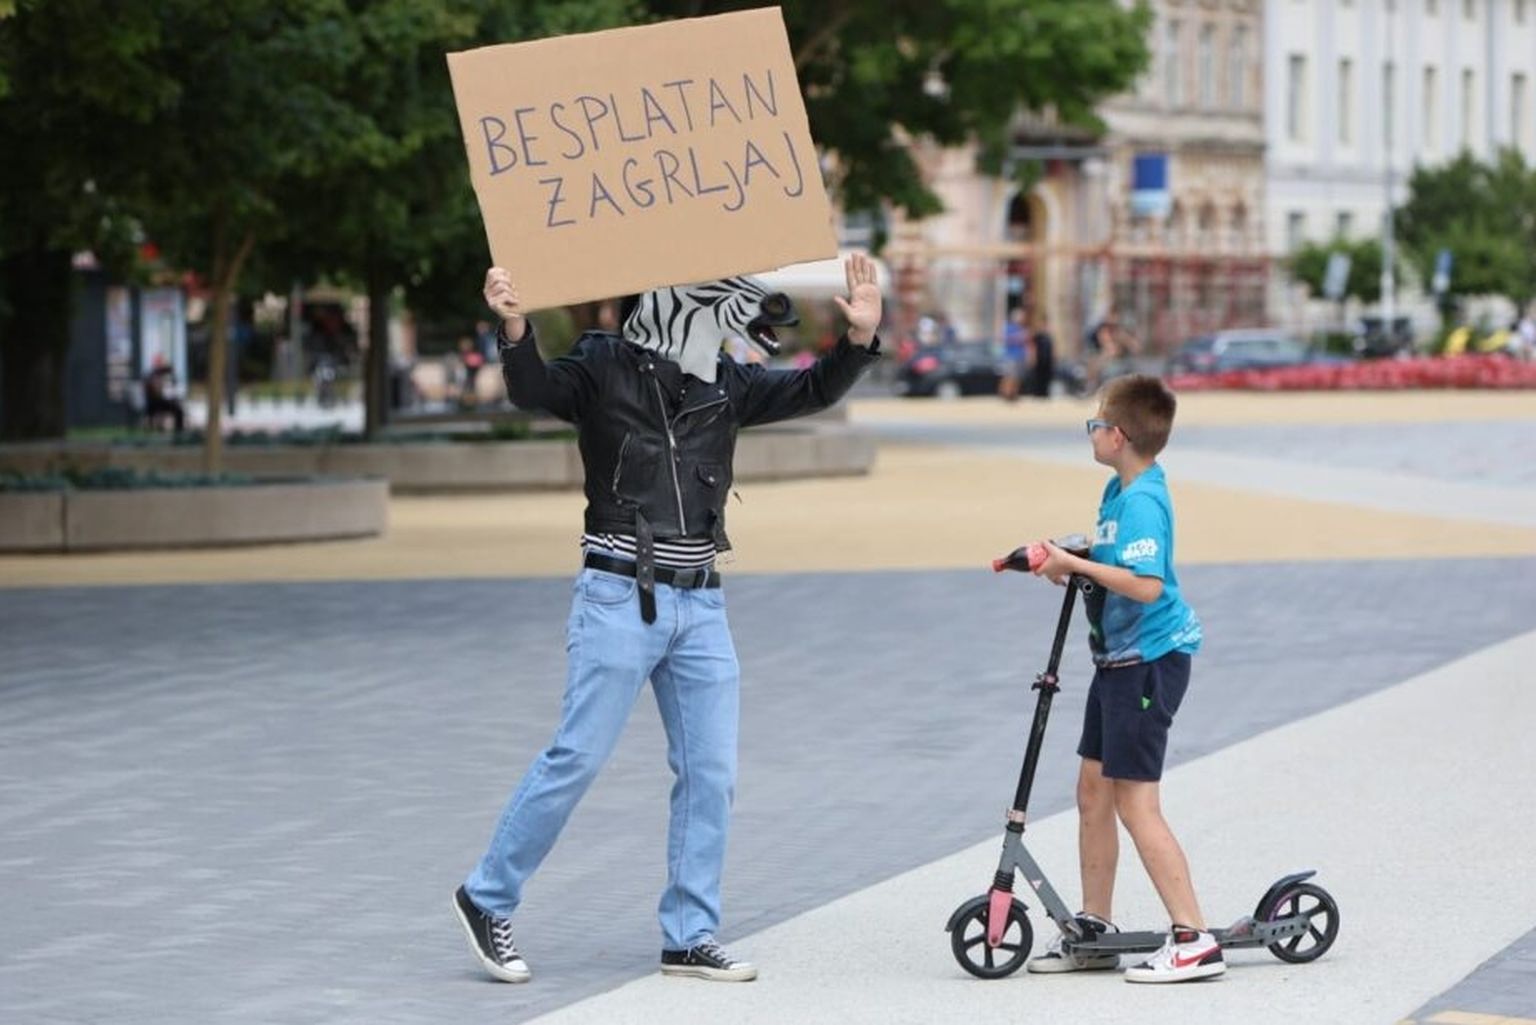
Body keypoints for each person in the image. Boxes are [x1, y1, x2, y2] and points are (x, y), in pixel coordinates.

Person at [453, 257, 883, 985]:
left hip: (701, 601)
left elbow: (811, 388)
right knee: (577, 756)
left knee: (711, 773)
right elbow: (534, 389)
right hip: (619, 593)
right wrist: (515, 326)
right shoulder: (603, 365)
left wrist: (860, 339)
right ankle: (486, 894)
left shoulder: (727, 383)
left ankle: (689, 934)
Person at [1023, 374, 1217, 984]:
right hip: (1117, 663)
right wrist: (1071, 559)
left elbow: (1146, 585)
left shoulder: (1142, 502)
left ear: (1120, 436)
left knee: (1135, 802)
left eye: (1096, 424)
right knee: (1093, 791)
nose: (1091, 432)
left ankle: (1193, 938)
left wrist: (1075, 564)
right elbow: (1116, 562)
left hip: (1149, 663)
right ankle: (1096, 929)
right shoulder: (1117, 490)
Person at [142, 356, 186, 433]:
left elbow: (170, 370)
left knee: (178, 410)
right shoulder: (151, 376)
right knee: (177, 410)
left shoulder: (161, 374)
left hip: (160, 402)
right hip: (154, 404)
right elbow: (155, 392)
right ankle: (176, 432)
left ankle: (178, 432)